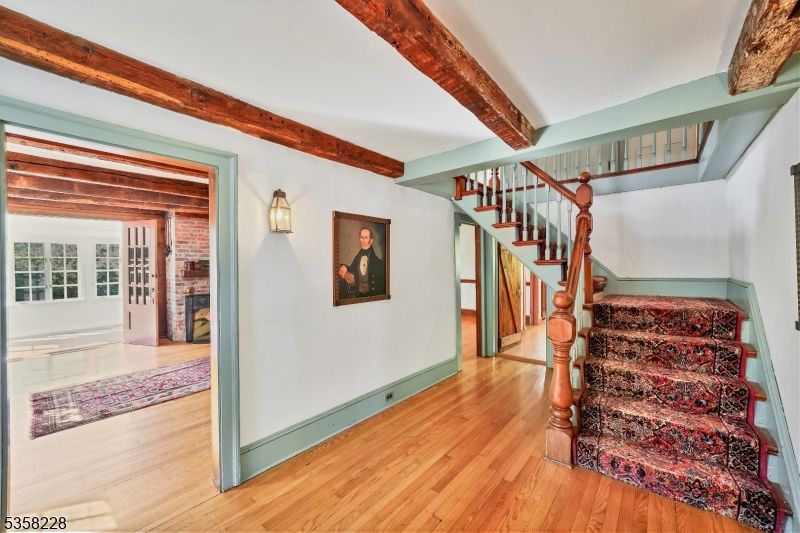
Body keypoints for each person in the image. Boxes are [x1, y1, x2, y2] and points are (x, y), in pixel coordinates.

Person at [338, 227, 385, 297]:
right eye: (362, 237)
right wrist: (344, 267)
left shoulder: (379, 263)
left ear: (371, 240)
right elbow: (352, 269)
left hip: (372, 297)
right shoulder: (357, 258)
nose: (363, 240)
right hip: (358, 297)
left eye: (366, 237)